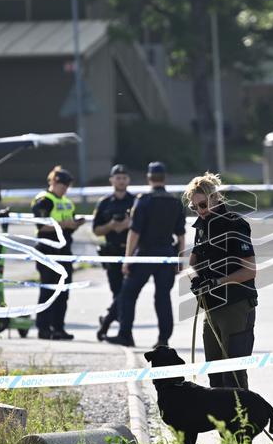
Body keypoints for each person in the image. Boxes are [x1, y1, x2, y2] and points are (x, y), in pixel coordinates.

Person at [186, 172, 257, 390]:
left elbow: (250, 271)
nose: (201, 210)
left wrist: (218, 282)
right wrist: (197, 280)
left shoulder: (235, 224)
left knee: (233, 375)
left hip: (235, 305)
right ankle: (223, 424)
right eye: (195, 207)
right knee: (214, 376)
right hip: (211, 308)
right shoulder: (201, 226)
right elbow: (191, 265)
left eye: (204, 204)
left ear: (216, 198)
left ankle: (245, 423)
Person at [106, 161, 186, 348]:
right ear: (164, 178)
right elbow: (181, 235)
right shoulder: (175, 201)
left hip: (145, 255)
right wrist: (179, 260)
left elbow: (134, 233)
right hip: (166, 255)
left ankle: (125, 334)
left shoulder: (143, 201)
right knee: (163, 298)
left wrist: (128, 258)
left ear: (149, 178)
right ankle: (163, 339)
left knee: (128, 294)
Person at [31, 166, 85, 340]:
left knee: (63, 292)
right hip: (47, 251)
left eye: (67, 185)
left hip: (64, 251)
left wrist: (74, 225)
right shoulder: (43, 200)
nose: (65, 188)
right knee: (48, 290)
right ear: (53, 182)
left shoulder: (68, 202)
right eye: (62, 184)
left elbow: (69, 227)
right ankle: (44, 329)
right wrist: (66, 224)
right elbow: (42, 226)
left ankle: (59, 328)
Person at [92, 164, 136, 341]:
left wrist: (128, 224)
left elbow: (142, 227)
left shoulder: (135, 201)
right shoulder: (104, 203)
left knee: (126, 293)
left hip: (130, 253)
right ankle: (113, 324)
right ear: (112, 180)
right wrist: (110, 225)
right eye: (118, 177)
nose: (121, 180)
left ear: (128, 180)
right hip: (111, 253)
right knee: (118, 292)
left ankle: (107, 324)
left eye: (124, 177)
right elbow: (96, 230)